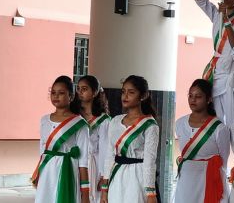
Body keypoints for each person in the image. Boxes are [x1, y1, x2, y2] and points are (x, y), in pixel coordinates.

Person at [32, 75, 90, 203]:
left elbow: (83, 161)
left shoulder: (79, 124)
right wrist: (38, 172)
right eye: (53, 93)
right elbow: (43, 150)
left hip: (67, 170)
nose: (56, 96)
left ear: (71, 96)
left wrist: (85, 192)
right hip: (47, 172)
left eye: (61, 93)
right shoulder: (44, 120)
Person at [101, 75, 159, 203]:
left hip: (137, 177)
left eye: (131, 92)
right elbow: (109, 154)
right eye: (123, 92)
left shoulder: (150, 125)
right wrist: (104, 188)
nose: (125, 96)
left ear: (143, 96)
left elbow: (150, 160)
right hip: (116, 176)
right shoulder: (115, 121)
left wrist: (151, 193)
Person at [174, 79, 230, 203]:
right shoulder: (179, 123)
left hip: (209, 179)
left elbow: (224, 160)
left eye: (198, 96)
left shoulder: (219, 128)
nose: (193, 100)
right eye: (190, 96)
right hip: (186, 179)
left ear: (209, 99)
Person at [75, 75, 110, 203]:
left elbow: (105, 149)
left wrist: (103, 176)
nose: (80, 92)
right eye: (78, 89)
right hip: (74, 162)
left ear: (95, 92)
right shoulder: (74, 116)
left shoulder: (103, 120)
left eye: (84, 89)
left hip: (93, 165)